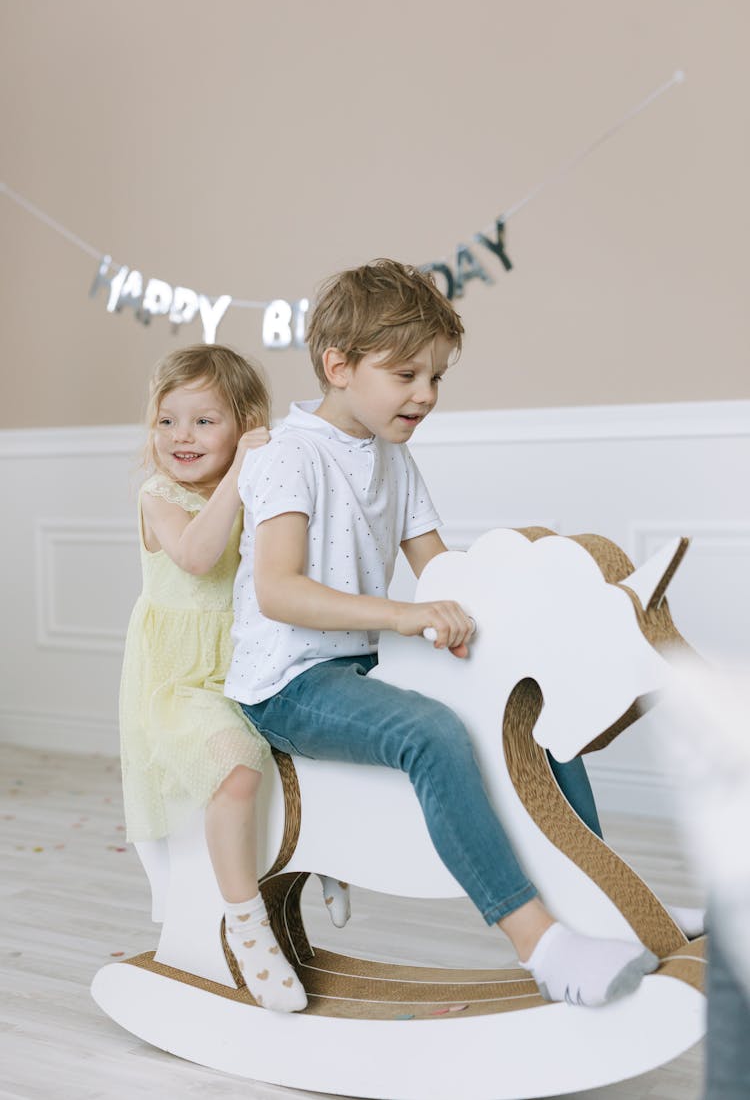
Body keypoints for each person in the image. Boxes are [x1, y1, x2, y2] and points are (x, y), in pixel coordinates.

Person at [225, 258, 663, 1008]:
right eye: (406, 374)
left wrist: (524, 615)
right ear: (339, 365)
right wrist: (403, 616)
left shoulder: (395, 459)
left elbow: (441, 578)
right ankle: (542, 943)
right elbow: (279, 590)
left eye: (435, 377)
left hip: (354, 668)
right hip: (289, 681)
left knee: (524, 706)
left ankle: (605, 898)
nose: (425, 394)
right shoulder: (287, 457)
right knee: (430, 732)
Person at [119, 343, 332, 1013]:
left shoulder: (256, 486)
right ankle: (247, 925)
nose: (181, 436)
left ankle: (323, 860)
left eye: (204, 420)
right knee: (239, 767)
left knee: (322, 731)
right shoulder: (160, 497)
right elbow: (197, 552)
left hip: (248, 663)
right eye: (167, 421)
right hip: (181, 683)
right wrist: (242, 468)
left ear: (244, 421)